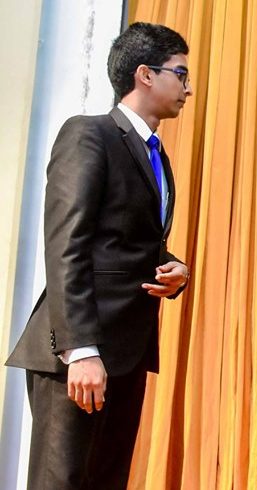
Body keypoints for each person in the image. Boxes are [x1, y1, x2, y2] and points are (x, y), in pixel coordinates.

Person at [5, 22, 192, 489]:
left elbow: (125, 240)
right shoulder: (89, 134)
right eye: (180, 73)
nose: (188, 88)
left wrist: (177, 270)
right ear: (145, 74)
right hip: (79, 352)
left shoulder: (157, 156)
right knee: (61, 482)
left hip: (128, 351)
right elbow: (66, 242)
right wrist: (82, 350)